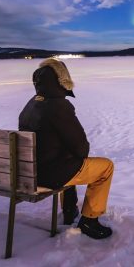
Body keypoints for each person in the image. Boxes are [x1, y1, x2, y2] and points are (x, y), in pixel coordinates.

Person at [18, 57, 115, 239]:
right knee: (105, 167)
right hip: (49, 174)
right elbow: (81, 148)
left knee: (67, 161)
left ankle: (69, 211)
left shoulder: (30, 105)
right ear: (62, 80)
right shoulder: (58, 106)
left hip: (29, 170)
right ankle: (89, 220)